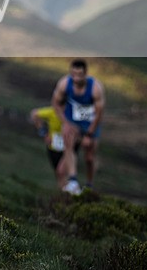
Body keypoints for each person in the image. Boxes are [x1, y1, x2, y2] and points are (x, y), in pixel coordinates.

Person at [51, 59, 106, 195]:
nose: (76, 78)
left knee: (89, 157)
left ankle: (89, 184)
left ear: (85, 74)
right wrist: (65, 122)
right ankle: (73, 180)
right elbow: (55, 103)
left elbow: (99, 114)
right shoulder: (64, 84)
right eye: (73, 75)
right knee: (68, 144)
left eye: (79, 75)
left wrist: (89, 134)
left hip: (90, 123)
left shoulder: (95, 89)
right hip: (72, 122)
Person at [29, 106, 67, 188]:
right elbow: (34, 114)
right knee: (58, 174)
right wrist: (44, 133)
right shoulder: (52, 112)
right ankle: (65, 195)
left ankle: (70, 193)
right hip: (53, 147)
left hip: (69, 149)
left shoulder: (72, 114)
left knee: (62, 171)